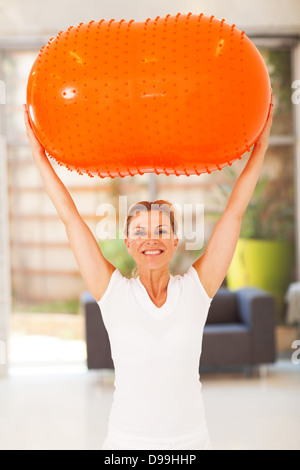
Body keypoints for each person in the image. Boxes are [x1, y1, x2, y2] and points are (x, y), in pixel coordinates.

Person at [24, 96, 274, 450]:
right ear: (128, 243)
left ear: (175, 241)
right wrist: (38, 155)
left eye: (160, 231)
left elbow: (233, 212)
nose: (150, 240)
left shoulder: (196, 291)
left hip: (191, 443)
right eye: (140, 232)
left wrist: (260, 146)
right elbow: (70, 217)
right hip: (126, 445)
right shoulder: (113, 293)